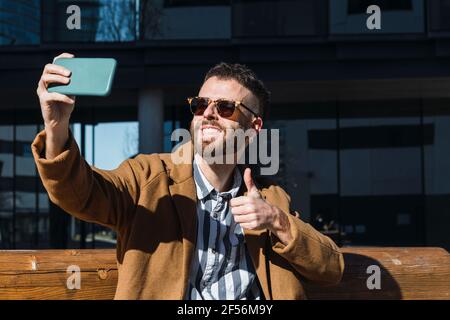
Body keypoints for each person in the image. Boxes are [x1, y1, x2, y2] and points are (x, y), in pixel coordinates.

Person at [33, 53, 344, 300]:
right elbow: (80, 195)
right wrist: (57, 128)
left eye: (225, 107)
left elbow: (332, 268)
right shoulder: (148, 177)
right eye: (200, 104)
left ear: (254, 128)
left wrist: (277, 221)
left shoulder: (270, 198)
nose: (208, 113)